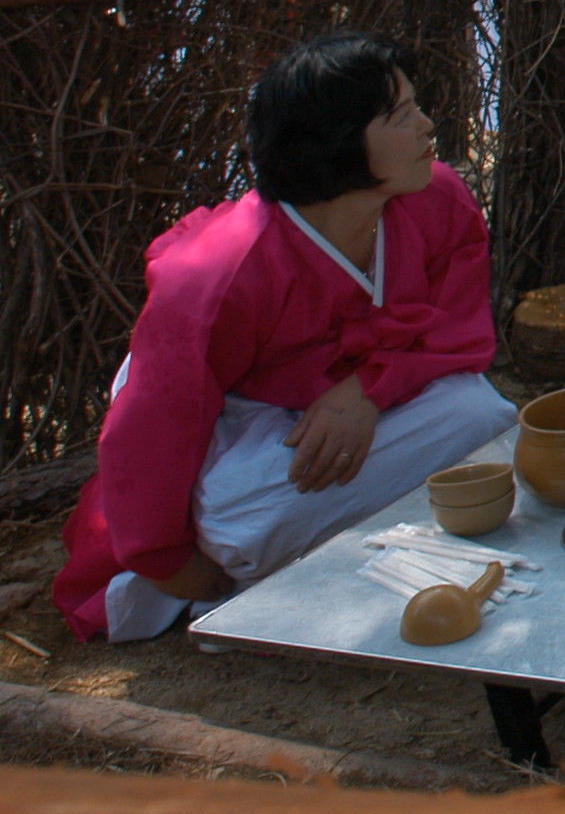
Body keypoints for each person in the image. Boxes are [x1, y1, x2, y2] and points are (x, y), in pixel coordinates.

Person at [56, 37, 515, 642]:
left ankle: (321, 551)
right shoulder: (218, 273)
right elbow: (155, 425)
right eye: (401, 116)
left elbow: (456, 335)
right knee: (235, 526)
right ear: (339, 143)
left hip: (371, 403)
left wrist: (366, 391)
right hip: (250, 433)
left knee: (482, 415)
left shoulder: (437, 199)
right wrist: (167, 559)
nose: (428, 125)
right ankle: (265, 562)